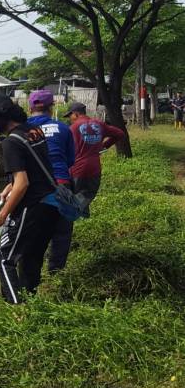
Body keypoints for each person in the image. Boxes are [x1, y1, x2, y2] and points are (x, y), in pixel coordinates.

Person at [0, 94, 60, 304]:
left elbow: (23, 183)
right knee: (30, 259)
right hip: (50, 205)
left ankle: (16, 307)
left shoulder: (10, 142)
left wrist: (3, 214)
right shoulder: (33, 131)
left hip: (32, 207)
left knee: (4, 256)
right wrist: (10, 184)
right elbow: (35, 167)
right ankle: (30, 303)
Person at [43, 102, 125, 272]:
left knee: (67, 208)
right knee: (84, 196)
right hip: (94, 169)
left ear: (75, 113)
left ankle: (67, 223)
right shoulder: (99, 124)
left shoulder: (73, 128)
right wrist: (104, 145)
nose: (70, 119)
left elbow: (64, 149)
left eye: (70, 116)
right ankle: (78, 211)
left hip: (76, 170)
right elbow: (119, 133)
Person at [26, 90, 76, 273]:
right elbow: (70, 160)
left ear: (30, 107)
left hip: (32, 188)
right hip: (61, 183)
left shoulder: (21, 129)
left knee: (32, 231)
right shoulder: (63, 128)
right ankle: (55, 271)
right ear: (51, 106)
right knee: (62, 232)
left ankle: (29, 273)